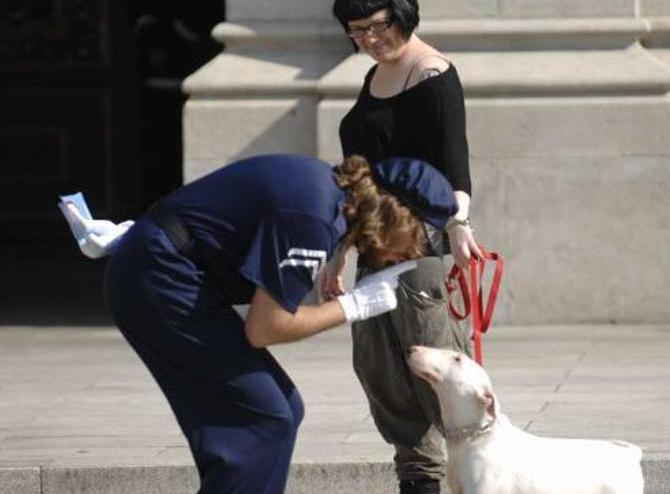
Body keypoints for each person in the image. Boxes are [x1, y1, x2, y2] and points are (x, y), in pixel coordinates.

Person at [101, 153, 458, 494]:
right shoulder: (313, 218)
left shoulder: (325, 195)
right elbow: (265, 328)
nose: (416, 252)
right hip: (158, 278)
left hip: (160, 268)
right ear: (396, 215)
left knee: (283, 409)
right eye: (420, 237)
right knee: (265, 418)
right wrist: (356, 305)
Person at [327, 0, 480, 493]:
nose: (369, 39)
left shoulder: (433, 74)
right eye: (357, 32)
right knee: (382, 374)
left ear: (402, 15)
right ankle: (419, 482)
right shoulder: (376, 77)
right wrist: (339, 249)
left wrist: (459, 225)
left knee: (436, 372)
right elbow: (359, 176)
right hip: (374, 247)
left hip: (420, 249)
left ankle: (475, 476)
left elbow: (455, 160)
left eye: (377, 27)